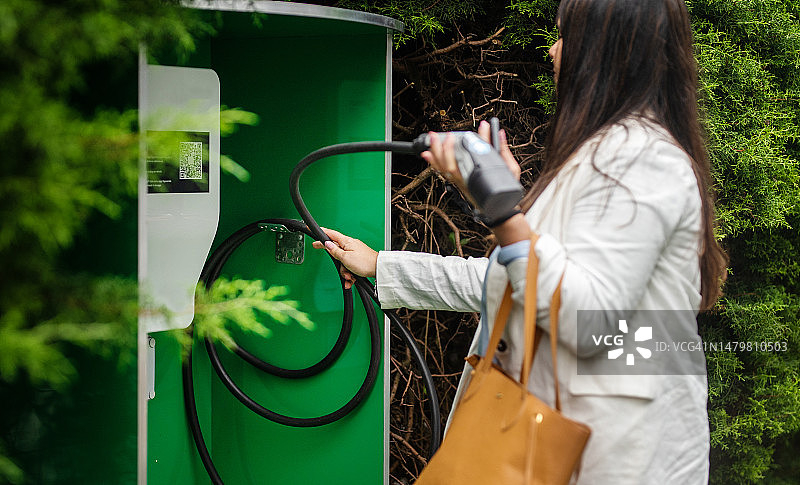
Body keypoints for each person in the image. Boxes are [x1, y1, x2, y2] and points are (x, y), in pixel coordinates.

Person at [313, 0, 728, 482]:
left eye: (564, 36)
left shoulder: (642, 159)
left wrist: (504, 213)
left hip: (616, 457)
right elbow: (518, 281)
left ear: (603, 51)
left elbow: (587, 321)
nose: (552, 51)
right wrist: (383, 265)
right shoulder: (602, 155)